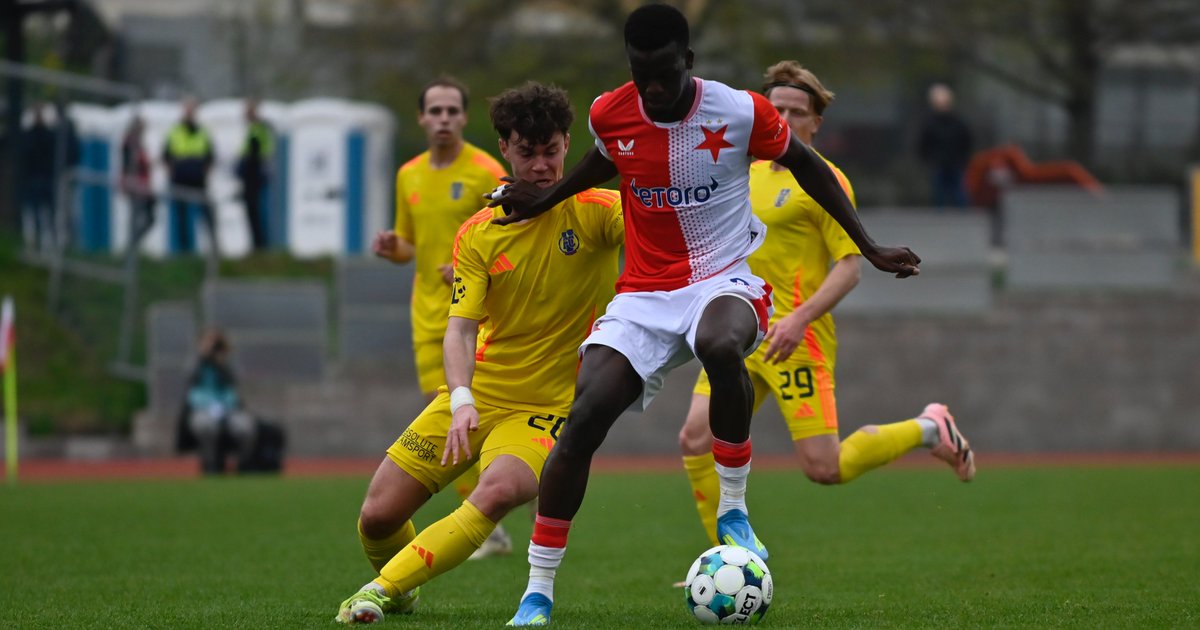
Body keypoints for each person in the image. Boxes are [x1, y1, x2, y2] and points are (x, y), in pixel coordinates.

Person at [493, 5, 921, 626]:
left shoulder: (741, 110)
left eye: (664, 73)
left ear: (687, 61)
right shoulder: (610, 111)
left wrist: (870, 244)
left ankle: (734, 509)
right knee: (582, 418)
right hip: (642, 295)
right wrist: (545, 201)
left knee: (723, 346)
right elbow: (602, 161)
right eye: (642, 74)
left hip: (724, 277)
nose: (653, 87)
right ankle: (537, 593)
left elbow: (810, 167)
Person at [334, 81, 623, 625]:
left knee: (495, 493)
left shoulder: (599, 214)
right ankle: (402, 593)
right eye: (527, 152)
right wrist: (462, 397)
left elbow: (656, 217)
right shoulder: (481, 233)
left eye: (552, 150)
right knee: (376, 516)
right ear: (505, 149)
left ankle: (377, 589)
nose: (541, 165)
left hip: (546, 408)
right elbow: (461, 330)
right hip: (478, 394)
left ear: (568, 144)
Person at [676, 61, 976, 551]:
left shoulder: (823, 180)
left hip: (798, 336)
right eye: (776, 108)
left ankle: (928, 428)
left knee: (824, 467)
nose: (786, 118)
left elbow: (850, 268)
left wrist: (798, 318)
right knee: (693, 439)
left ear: (816, 123)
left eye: (799, 112)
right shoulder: (739, 171)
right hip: (741, 328)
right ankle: (730, 558)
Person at [370, 76, 513, 559]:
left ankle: (485, 520)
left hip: (475, 318)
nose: (444, 119)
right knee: (454, 419)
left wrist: (474, 265)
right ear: (421, 118)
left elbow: (513, 235)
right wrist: (394, 249)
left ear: (464, 117)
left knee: (462, 415)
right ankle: (487, 521)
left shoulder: (487, 171)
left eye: (453, 111)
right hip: (427, 317)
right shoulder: (408, 174)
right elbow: (411, 243)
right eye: (435, 111)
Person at [180, 330, 257, 475]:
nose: (213, 348)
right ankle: (211, 465)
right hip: (202, 409)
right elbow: (191, 387)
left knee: (246, 427)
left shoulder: (226, 363)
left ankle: (244, 465)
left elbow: (234, 388)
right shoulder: (196, 363)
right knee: (207, 426)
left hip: (228, 409)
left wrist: (222, 361)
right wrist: (202, 355)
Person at [162, 97, 215, 254]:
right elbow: (166, 155)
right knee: (182, 216)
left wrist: (205, 172)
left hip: (198, 178)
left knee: (206, 213)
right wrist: (172, 172)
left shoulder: (203, 131)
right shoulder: (175, 131)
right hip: (180, 178)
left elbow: (210, 155)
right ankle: (185, 252)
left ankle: (213, 249)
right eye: (187, 109)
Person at [917, 83, 973, 209]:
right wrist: (930, 159)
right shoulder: (929, 124)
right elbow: (923, 144)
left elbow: (966, 141)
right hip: (939, 164)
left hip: (956, 164)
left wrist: (963, 159)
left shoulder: (958, 123)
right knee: (939, 196)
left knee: (959, 194)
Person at [19, 102, 61, 251]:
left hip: (46, 178)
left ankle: (53, 245)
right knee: (37, 214)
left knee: (50, 215)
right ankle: (38, 245)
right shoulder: (29, 135)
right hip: (34, 178)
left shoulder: (49, 135)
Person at [236, 98, 274, 251]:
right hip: (251, 175)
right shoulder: (253, 128)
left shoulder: (258, 128)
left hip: (255, 176)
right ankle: (256, 244)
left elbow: (259, 153)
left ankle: (259, 246)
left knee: (255, 211)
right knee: (252, 212)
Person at [120, 114, 156, 249]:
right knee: (139, 217)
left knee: (146, 217)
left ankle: (133, 245)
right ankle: (132, 246)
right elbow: (131, 165)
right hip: (136, 186)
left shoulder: (137, 142)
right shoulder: (130, 143)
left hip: (142, 186)